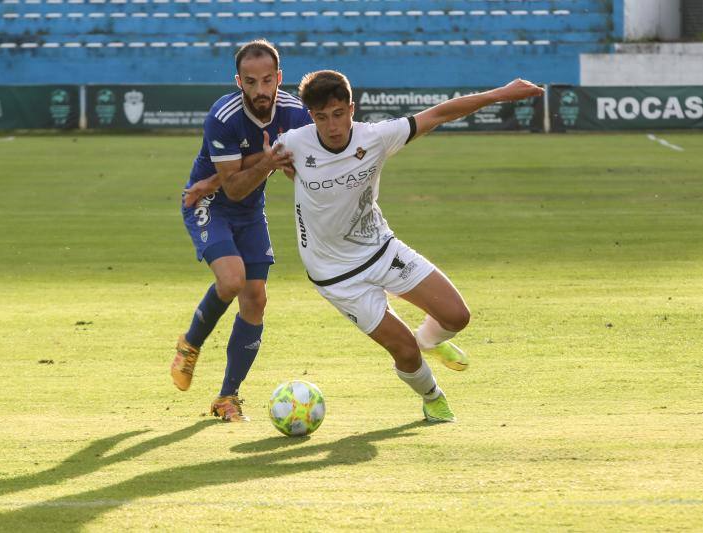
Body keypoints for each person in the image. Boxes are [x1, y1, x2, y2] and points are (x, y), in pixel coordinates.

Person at [225, 70, 544, 422]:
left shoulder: (375, 137)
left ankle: (429, 340)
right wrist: (209, 186)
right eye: (321, 117)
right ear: (310, 116)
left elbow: (439, 113)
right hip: (335, 276)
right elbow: (244, 175)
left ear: (351, 108)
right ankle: (432, 396)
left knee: (457, 316)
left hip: (381, 249)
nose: (332, 126)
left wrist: (501, 93)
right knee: (405, 353)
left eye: (338, 114)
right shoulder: (293, 144)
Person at [171, 39, 307, 422]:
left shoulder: (296, 113)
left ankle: (227, 398)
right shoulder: (223, 116)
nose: (260, 90)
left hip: (250, 212)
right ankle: (190, 344)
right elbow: (233, 186)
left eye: (267, 80)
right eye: (251, 82)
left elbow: (307, 159)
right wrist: (269, 161)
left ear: (279, 77)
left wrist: (293, 165)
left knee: (256, 299)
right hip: (209, 205)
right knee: (231, 281)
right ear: (239, 81)